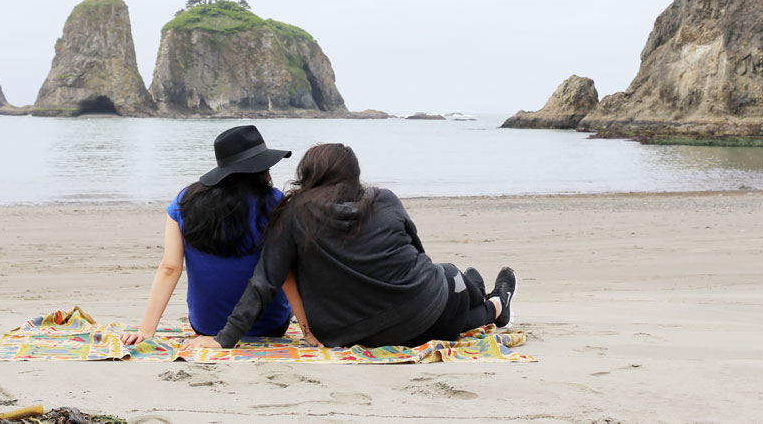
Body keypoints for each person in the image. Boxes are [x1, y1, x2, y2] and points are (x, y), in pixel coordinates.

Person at [187, 142, 517, 350]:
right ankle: (497, 303)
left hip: (349, 332)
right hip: (423, 314)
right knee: (449, 277)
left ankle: (477, 289)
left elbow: (264, 283)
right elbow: (419, 255)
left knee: (450, 288)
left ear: (307, 174)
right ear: (354, 174)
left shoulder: (291, 213)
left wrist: (224, 338)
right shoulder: (383, 199)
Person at [121, 125, 299, 345]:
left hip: (205, 326)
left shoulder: (184, 202)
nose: (270, 174)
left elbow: (169, 268)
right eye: (267, 167)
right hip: (270, 325)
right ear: (258, 170)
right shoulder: (273, 201)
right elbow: (286, 272)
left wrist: (146, 330)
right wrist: (308, 330)